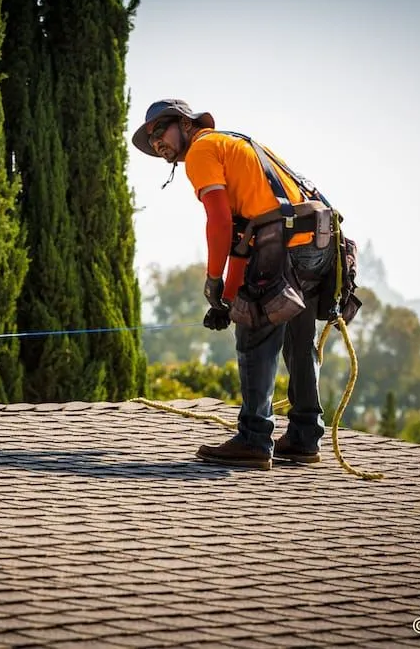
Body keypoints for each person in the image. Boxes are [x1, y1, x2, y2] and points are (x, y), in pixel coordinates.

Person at [131, 99, 340, 471]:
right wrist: (225, 298)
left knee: (255, 331)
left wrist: (213, 278)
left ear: (184, 123)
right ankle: (305, 438)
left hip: (284, 246)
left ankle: (254, 439)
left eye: (159, 131)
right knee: (297, 337)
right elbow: (250, 236)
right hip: (316, 244)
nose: (157, 143)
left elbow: (221, 224)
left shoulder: (202, 150)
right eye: (151, 142)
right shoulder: (238, 145)